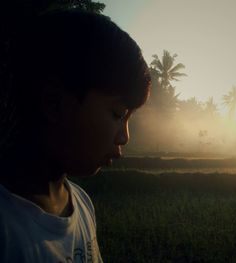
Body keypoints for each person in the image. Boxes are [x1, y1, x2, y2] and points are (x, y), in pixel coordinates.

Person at [0, 9, 151, 262]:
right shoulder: (7, 227)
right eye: (117, 114)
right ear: (54, 103)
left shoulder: (81, 204)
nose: (124, 137)